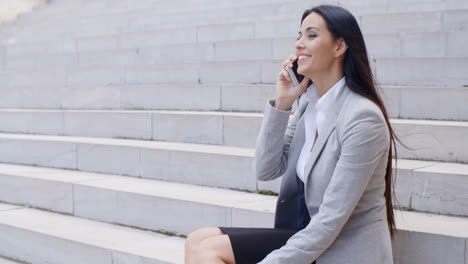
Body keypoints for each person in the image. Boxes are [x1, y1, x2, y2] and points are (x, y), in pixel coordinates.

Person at [184, 4, 401, 264]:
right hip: (306, 234)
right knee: (197, 240)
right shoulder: (308, 105)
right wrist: (283, 103)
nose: (299, 44)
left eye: (311, 35)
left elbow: (330, 222)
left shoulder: (362, 118)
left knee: (209, 252)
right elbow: (265, 170)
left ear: (339, 46)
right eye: (299, 36)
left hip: (342, 246)